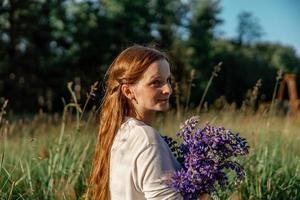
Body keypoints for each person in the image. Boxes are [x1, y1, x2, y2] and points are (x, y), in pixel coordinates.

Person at [84, 45, 183, 200]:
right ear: (128, 91)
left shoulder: (122, 132)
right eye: (156, 82)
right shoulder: (146, 138)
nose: (168, 89)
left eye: (168, 80)